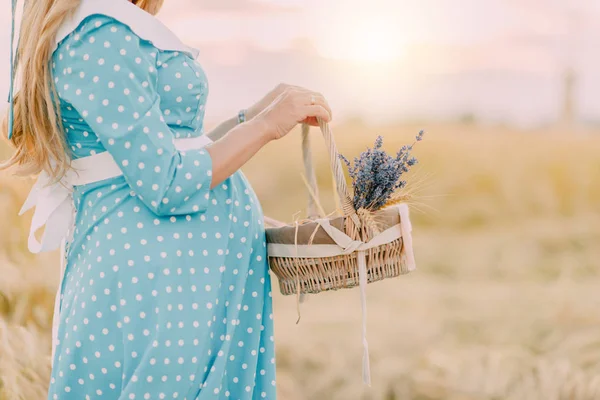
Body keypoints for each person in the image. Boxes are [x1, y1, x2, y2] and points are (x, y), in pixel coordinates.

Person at [2, 0, 332, 398]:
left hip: (181, 275)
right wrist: (266, 126)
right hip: (155, 279)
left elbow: (176, 147)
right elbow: (167, 181)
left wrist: (251, 116)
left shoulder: (109, 27)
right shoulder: (98, 35)